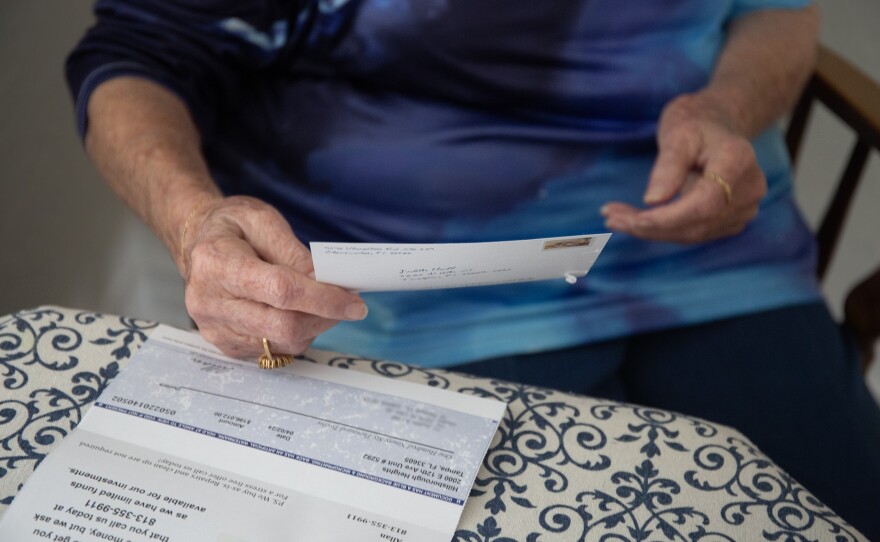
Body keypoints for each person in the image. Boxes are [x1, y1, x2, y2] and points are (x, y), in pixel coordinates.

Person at [67, 0, 880, 536]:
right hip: (411, 292)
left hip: (718, 255)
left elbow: (776, 8)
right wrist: (195, 223)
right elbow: (139, 56)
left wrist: (726, 106)